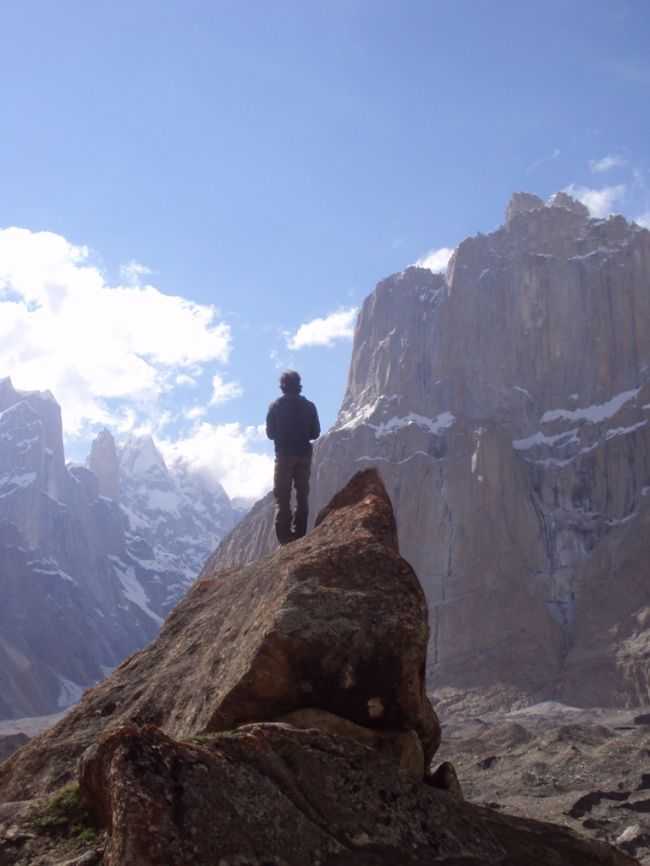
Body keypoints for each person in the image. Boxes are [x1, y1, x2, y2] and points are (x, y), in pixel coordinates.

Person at [266, 370, 320, 545]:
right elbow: (315, 433)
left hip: (283, 456)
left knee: (282, 496)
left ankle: (285, 538)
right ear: (299, 386)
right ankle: (300, 534)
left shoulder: (275, 406)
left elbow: (270, 433)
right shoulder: (309, 406)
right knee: (302, 495)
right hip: (304, 455)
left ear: (282, 387)